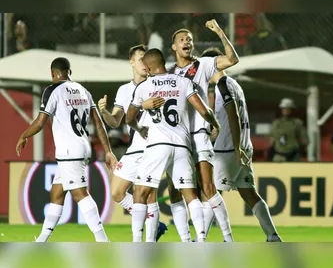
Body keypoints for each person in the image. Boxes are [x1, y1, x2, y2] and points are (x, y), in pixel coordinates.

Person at [15, 57, 117, 242]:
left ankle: (103, 241)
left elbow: (40, 122)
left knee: (80, 194)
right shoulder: (83, 90)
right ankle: (42, 240)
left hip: (69, 151)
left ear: (53, 73)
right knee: (57, 193)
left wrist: (24, 136)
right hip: (82, 147)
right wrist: (108, 150)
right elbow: (98, 122)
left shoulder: (52, 90)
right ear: (69, 72)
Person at [126, 48, 221, 243]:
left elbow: (128, 118)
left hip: (158, 145)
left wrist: (139, 128)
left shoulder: (144, 86)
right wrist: (216, 124)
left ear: (148, 67)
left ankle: (138, 242)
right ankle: (197, 240)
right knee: (190, 195)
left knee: (140, 193)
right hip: (182, 146)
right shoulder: (184, 82)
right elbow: (204, 110)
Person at [164, 19, 239, 242]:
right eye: (181, 39)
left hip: (198, 135)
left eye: (189, 39)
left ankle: (228, 239)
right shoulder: (168, 74)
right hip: (177, 139)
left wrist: (219, 32)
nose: (186, 41)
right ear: (174, 47)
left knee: (208, 187)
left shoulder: (203, 65)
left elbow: (233, 59)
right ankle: (190, 241)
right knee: (175, 190)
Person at [202, 47, 282, 242]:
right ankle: (273, 236)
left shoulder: (222, 85)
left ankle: (200, 239)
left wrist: (236, 147)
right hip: (243, 147)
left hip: (229, 149)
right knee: (249, 194)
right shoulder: (234, 84)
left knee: (211, 193)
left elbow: (233, 115)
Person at [97, 44, 167, 242]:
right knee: (117, 192)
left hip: (153, 146)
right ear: (132, 62)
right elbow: (115, 121)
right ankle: (154, 223)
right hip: (134, 147)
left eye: (147, 60)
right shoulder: (124, 90)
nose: (144, 64)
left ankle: (149, 242)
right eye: (140, 59)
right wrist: (104, 112)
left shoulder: (156, 84)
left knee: (148, 195)